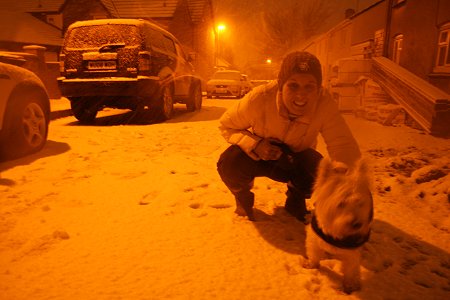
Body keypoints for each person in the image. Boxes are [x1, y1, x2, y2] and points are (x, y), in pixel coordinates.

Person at [216, 51, 361, 222]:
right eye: (293, 85)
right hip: (257, 156)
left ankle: (295, 198)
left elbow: (343, 145)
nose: (301, 94)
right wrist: (255, 144)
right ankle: (242, 197)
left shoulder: (324, 104)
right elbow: (226, 125)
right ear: (280, 85)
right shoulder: (259, 98)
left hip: (295, 160)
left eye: (309, 86)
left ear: (319, 88)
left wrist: (351, 187)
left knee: (320, 173)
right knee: (229, 163)